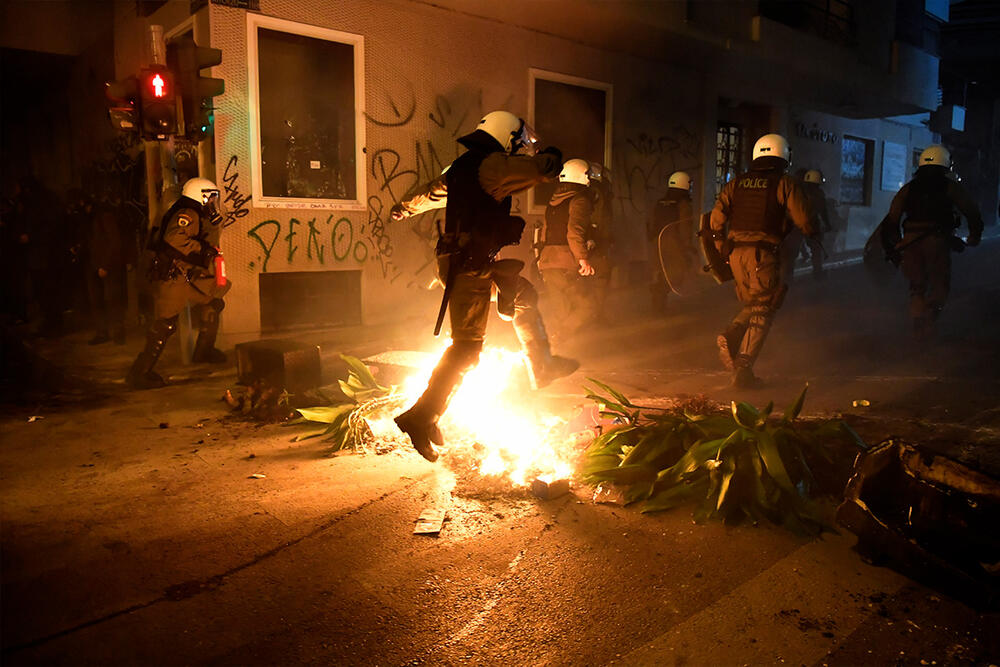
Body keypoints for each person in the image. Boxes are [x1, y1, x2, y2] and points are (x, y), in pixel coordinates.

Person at [389, 110, 578, 462]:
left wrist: (404, 208)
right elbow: (543, 169)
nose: (520, 149)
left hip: (466, 263)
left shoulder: (462, 167)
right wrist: (549, 156)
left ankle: (542, 363)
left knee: (524, 294)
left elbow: (432, 193)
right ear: (506, 137)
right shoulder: (493, 166)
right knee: (467, 349)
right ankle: (421, 417)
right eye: (518, 143)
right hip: (470, 268)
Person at [709, 134, 814, 388]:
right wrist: (813, 232)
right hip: (762, 254)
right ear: (783, 155)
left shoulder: (737, 183)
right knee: (765, 307)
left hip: (736, 254)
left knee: (755, 303)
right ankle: (743, 369)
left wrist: (721, 246)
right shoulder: (784, 183)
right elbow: (803, 219)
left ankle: (734, 333)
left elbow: (716, 218)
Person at [126, 177, 230, 389]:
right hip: (174, 278)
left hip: (186, 276)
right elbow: (174, 240)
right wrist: (202, 249)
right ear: (199, 195)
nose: (212, 201)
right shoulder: (187, 214)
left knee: (214, 300)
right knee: (166, 324)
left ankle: (203, 351)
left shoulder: (192, 212)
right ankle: (140, 372)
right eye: (210, 197)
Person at [883, 145, 983, 339]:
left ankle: (917, 318)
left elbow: (893, 217)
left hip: (910, 240)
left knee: (916, 283)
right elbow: (971, 210)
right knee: (939, 284)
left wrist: (896, 242)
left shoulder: (908, 188)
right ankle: (930, 315)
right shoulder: (950, 186)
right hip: (936, 240)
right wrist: (974, 235)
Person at [538, 158, 597, 340]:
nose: (590, 178)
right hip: (565, 260)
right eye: (587, 174)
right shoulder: (580, 200)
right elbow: (575, 231)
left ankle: (561, 346)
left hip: (548, 261)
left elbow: (545, 232)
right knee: (588, 306)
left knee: (561, 309)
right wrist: (583, 258)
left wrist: (541, 257)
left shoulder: (554, 201)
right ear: (581, 176)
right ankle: (560, 339)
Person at [647, 171, 694, 309]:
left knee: (661, 269)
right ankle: (659, 292)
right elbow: (686, 225)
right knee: (676, 271)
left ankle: (658, 296)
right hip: (675, 242)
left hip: (658, 241)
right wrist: (687, 245)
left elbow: (652, 221)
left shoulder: (660, 202)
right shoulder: (684, 203)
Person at [86, 191, 128, 345]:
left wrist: (105, 264)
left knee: (112, 300)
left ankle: (118, 332)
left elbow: (113, 242)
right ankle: (103, 332)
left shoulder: (104, 217)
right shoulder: (93, 219)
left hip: (106, 266)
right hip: (95, 265)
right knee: (98, 300)